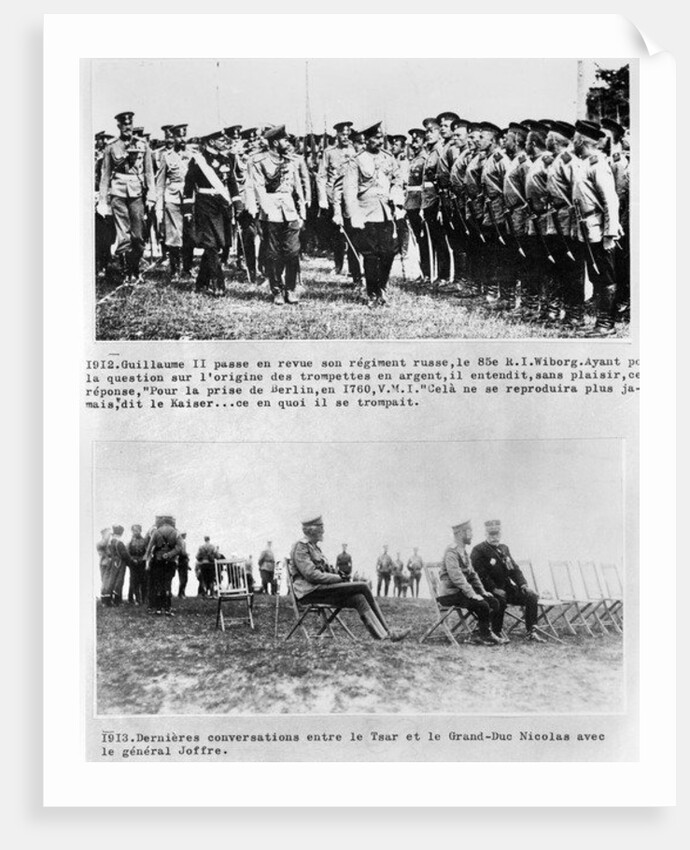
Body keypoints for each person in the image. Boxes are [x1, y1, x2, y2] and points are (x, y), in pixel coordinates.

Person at [289, 515, 409, 641]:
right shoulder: (301, 547)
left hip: (319, 590)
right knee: (363, 586)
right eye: (321, 527)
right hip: (309, 592)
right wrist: (337, 578)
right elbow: (311, 575)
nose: (323, 531)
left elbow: (325, 569)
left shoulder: (315, 548)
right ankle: (389, 631)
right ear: (311, 530)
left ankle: (382, 636)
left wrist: (339, 574)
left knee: (358, 598)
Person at [343, 121, 403, 306]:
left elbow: (397, 180)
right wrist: (354, 214)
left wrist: (397, 200)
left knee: (389, 252)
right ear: (367, 140)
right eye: (376, 138)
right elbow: (350, 189)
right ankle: (372, 292)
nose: (380, 141)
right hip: (366, 211)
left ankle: (382, 286)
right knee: (370, 253)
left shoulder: (388, 158)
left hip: (385, 211)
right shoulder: (357, 160)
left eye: (380, 137)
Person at [572, 119, 621, 337]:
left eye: (574, 139)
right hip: (587, 229)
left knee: (605, 276)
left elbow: (610, 200)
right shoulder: (584, 163)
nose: (572, 142)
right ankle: (600, 322)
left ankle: (606, 324)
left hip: (599, 230)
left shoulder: (598, 165)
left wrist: (610, 234)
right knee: (595, 275)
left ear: (580, 141)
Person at [98, 111, 156, 282]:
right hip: (118, 193)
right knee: (124, 235)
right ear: (119, 126)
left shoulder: (143, 145)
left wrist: (151, 196)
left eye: (129, 124)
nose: (127, 127)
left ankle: (135, 266)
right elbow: (105, 175)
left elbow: (149, 173)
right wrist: (102, 201)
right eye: (124, 125)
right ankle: (128, 272)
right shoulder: (111, 146)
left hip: (137, 193)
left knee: (138, 236)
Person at [250, 125, 306, 304]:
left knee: (293, 251)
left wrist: (301, 210)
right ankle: (277, 290)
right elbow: (258, 188)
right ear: (275, 142)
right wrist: (266, 211)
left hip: (290, 210)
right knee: (273, 253)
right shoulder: (259, 161)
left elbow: (297, 187)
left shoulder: (290, 161)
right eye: (284, 140)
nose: (288, 143)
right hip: (271, 211)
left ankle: (290, 288)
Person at [470, 520, 544, 642]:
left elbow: (514, 569)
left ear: (500, 534)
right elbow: (480, 574)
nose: (495, 537)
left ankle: (531, 631)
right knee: (500, 600)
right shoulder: (478, 550)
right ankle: (496, 632)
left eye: (497, 534)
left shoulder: (504, 548)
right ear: (485, 534)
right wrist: (494, 589)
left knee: (531, 596)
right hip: (488, 590)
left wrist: (523, 585)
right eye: (491, 534)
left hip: (507, 588)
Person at [436, 520, 503, 645]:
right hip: (449, 594)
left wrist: (482, 591)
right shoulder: (451, 552)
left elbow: (473, 574)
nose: (472, 534)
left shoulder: (463, 551)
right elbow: (457, 577)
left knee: (493, 602)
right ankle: (484, 635)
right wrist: (472, 594)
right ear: (461, 533)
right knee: (482, 604)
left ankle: (479, 633)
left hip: (461, 592)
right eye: (469, 531)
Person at [155, 123, 193, 280]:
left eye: (184, 135)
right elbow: (160, 183)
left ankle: (187, 269)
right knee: (174, 235)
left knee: (189, 234)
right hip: (172, 198)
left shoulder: (193, 155)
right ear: (173, 137)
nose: (182, 139)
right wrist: (158, 207)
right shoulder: (167, 156)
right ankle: (175, 269)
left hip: (191, 198)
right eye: (179, 136)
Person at [145, 515, 183, 615]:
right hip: (170, 561)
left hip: (158, 561)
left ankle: (158, 609)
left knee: (159, 583)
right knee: (168, 583)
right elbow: (180, 548)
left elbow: (149, 548)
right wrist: (169, 554)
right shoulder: (176, 532)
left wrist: (147, 561)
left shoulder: (156, 532)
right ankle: (167, 608)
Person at [100, 525, 134, 607]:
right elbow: (125, 555)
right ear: (121, 533)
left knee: (111, 581)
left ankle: (107, 601)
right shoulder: (119, 543)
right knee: (119, 581)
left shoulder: (111, 542)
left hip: (112, 563)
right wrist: (131, 562)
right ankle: (117, 601)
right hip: (120, 563)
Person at [127, 524, 148, 605]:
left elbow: (147, 552)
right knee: (134, 581)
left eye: (137, 530)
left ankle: (144, 599)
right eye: (134, 531)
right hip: (133, 564)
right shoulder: (130, 541)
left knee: (144, 581)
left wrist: (143, 558)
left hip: (142, 563)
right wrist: (132, 559)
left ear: (140, 531)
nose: (135, 532)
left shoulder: (144, 541)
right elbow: (127, 552)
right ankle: (137, 599)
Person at [177, 531, 190, 598]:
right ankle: (181, 593)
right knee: (183, 579)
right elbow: (182, 552)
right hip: (182, 561)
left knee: (183, 578)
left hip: (181, 562)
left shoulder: (180, 542)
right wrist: (186, 555)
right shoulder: (182, 542)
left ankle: (181, 592)